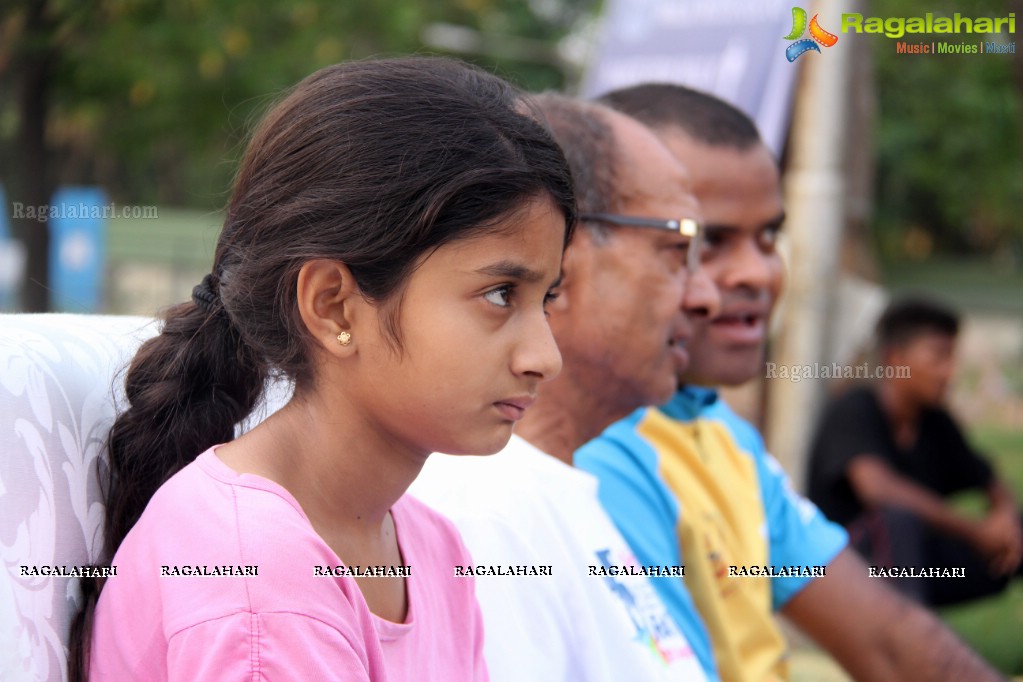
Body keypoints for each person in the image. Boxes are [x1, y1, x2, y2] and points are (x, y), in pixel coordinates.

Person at [70, 57, 577, 681]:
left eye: (547, 298)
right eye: (500, 294)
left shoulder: (428, 548)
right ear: (333, 304)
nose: (544, 358)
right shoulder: (259, 580)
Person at [577, 83, 1004, 682]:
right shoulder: (581, 452)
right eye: (702, 242)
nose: (758, 273)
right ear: (573, 252)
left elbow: (888, 639)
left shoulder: (722, 433)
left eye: (769, 237)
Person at [411, 94, 718, 681]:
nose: (706, 296)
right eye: (677, 249)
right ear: (561, 261)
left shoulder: (540, 496)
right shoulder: (484, 517)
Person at [808, 297, 1023, 606]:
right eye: (938, 357)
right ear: (895, 358)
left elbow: (988, 478)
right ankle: (902, 643)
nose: (949, 372)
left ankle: (915, 629)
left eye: (952, 358)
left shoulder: (935, 422)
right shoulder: (855, 408)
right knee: (899, 521)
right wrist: (976, 532)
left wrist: (1005, 522)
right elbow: (878, 490)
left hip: (928, 570)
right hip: (845, 572)